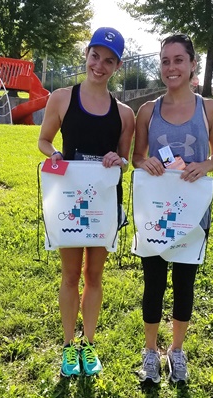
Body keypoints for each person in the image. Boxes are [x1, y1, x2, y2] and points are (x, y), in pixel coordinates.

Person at [38, 27, 135, 377]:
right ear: (87, 54)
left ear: (117, 66)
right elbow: (44, 141)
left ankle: (89, 346)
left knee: (95, 275)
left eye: (109, 60)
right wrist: (57, 154)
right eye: (96, 56)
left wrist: (116, 160)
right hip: (69, 200)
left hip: (103, 205)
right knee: (69, 275)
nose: (100, 65)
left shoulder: (125, 114)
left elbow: (125, 160)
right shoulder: (62, 98)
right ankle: (67, 348)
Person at [132, 34, 213, 383]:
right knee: (153, 284)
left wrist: (206, 165)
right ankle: (150, 351)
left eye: (178, 60)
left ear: (192, 65)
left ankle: (177, 351)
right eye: (165, 61)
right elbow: (136, 157)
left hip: (192, 213)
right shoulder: (147, 111)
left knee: (185, 284)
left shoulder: (210, 109)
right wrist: (145, 163)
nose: (171, 67)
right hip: (155, 212)